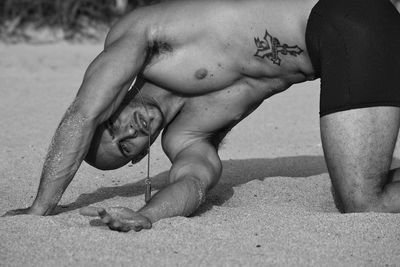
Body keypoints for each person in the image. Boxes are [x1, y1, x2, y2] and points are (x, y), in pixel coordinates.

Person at [4, 0, 400, 232]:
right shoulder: (186, 136)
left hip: (337, 15)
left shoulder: (141, 34)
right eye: (126, 146)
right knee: (366, 195)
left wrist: (41, 206)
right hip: (349, 54)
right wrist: (145, 215)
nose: (129, 131)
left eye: (112, 125)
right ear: (140, 157)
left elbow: (81, 112)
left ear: (110, 106)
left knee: (363, 201)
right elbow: (193, 184)